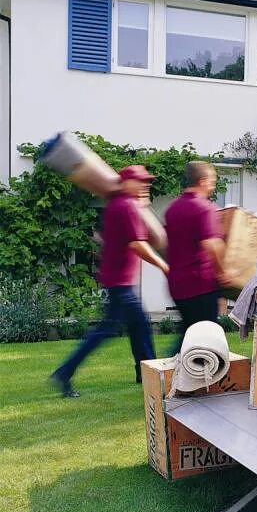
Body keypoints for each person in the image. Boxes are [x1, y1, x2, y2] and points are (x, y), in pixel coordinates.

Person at [51, 165, 169, 397]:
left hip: (118, 279)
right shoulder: (126, 206)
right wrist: (163, 265)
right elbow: (137, 244)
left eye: (147, 181)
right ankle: (65, 373)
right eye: (141, 181)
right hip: (120, 282)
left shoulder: (119, 204)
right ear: (126, 183)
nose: (145, 185)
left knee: (139, 327)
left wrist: (141, 207)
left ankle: (144, 374)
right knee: (108, 330)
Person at [165, 161, 227, 354]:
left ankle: (168, 373)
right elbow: (211, 244)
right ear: (202, 181)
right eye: (212, 181)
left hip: (177, 284)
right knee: (205, 338)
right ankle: (168, 373)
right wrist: (223, 272)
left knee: (189, 333)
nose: (213, 185)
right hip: (200, 283)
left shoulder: (172, 209)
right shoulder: (204, 208)